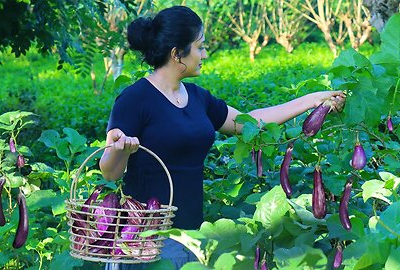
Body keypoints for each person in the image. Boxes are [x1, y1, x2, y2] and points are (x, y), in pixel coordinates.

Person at [99, 5, 344, 269]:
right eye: (200, 46)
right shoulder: (135, 99)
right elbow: (110, 172)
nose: (204, 54)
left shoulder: (197, 98)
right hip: (146, 239)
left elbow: (251, 122)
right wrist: (121, 149)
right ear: (177, 54)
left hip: (192, 236)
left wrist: (312, 100)